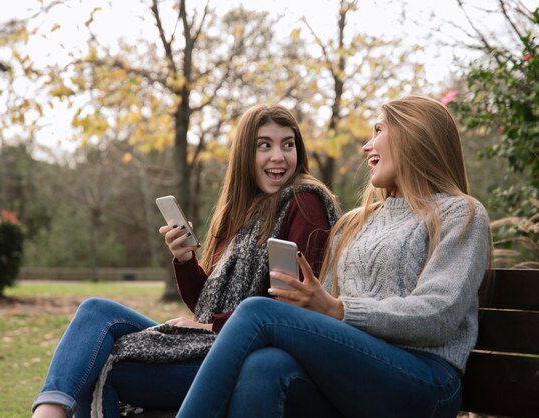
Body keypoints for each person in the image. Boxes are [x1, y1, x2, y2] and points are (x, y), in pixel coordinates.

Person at [176, 95, 493, 418]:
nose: (366, 147)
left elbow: (437, 317)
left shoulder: (461, 214)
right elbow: (323, 311)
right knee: (265, 365)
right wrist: (318, 304)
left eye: (378, 131)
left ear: (413, 135)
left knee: (258, 311)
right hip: (354, 378)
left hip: (424, 382)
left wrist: (339, 310)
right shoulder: (354, 223)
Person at [31, 104, 340, 418]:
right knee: (97, 311)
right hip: (208, 342)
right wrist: (184, 259)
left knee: (104, 368)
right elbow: (204, 303)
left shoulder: (304, 202)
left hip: (245, 354)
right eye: (265, 145)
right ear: (245, 155)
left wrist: (209, 327)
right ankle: (48, 411)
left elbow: (291, 308)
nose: (279, 156)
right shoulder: (240, 214)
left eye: (288, 145)